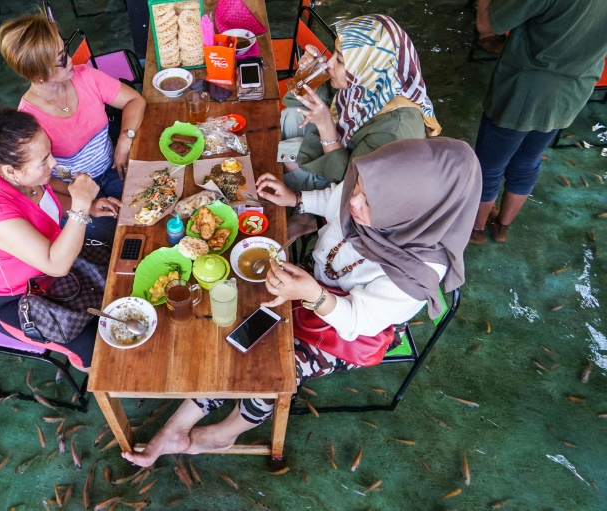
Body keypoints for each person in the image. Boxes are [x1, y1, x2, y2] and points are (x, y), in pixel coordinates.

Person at [123, 138, 481, 467]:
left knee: (269, 370)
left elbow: (361, 320)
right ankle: (178, 425)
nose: (354, 201)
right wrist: (296, 200)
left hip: (348, 329)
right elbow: (338, 198)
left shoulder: (420, 270)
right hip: (314, 281)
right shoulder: (373, 189)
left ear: (412, 212)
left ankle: (223, 433)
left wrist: (313, 294)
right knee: (238, 333)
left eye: (370, 201)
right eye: (359, 187)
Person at [0, 108, 103, 371]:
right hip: (13, 299)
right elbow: (57, 264)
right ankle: (103, 384)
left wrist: (91, 207)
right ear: (10, 171)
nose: (53, 163)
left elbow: (46, 202)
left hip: (47, 272)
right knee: (90, 344)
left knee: (114, 285)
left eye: (49, 153)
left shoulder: (19, 172)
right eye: (44, 160)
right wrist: (82, 206)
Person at [0, 13, 146, 243]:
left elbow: (135, 100)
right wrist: (87, 204)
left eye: (65, 50)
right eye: (60, 59)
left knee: (147, 205)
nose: (70, 60)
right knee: (117, 234)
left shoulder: (85, 77)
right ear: (38, 74)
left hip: (111, 169)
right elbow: (38, 188)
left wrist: (126, 137)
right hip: (71, 193)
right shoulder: (28, 122)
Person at [470, 0, 607, 245]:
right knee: (527, 161)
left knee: (489, 166)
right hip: (574, 90)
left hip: (525, 87)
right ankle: (502, 227)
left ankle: (476, 230)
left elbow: (486, 25)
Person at [280, 14, 441, 192]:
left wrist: (326, 125)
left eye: (340, 60)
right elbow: (297, 101)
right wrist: (309, 76)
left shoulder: (394, 129)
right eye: (335, 53)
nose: (330, 63)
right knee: (292, 116)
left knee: (288, 152)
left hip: (354, 190)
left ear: (367, 65)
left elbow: (354, 183)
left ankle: (303, 208)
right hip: (341, 150)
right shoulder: (370, 82)